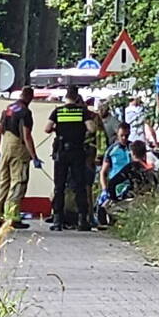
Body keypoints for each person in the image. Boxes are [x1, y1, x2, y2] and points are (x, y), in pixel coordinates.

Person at [46, 86, 97, 231]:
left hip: (62, 152)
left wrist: (59, 128)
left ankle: (57, 220)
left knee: (59, 187)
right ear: (76, 97)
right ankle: (82, 220)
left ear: (66, 97)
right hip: (77, 152)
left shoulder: (58, 111)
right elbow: (92, 129)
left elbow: (47, 129)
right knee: (79, 186)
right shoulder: (82, 112)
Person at [0, 86, 41, 228]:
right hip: (18, 149)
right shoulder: (25, 112)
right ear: (30, 97)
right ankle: (12, 218)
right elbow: (26, 136)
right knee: (18, 183)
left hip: (5, 147)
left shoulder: (8, 109)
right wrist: (34, 157)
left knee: (4, 182)